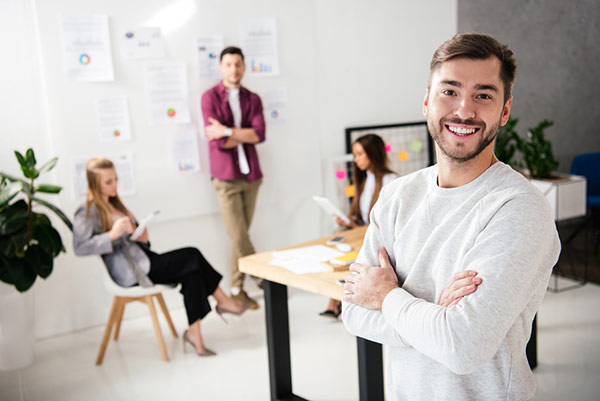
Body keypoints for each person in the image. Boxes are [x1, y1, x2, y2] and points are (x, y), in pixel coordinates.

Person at [342, 33, 561, 401]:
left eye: (484, 95)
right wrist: (435, 318)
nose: (464, 110)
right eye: (450, 91)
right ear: (427, 101)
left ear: (504, 111)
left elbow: (462, 347)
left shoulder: (518, 207)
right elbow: (353, 310)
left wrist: (386, 296)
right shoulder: (397, 195)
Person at [73, 157, 247, 357]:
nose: (115, 185)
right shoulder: (87, 211)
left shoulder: (116, 204)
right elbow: (80, 247)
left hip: (145, 260)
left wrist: (142, 237)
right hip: (133, 272)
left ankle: (195, 336)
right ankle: (224, 302)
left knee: (192, 274)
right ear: (95, 184)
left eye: (116, 179)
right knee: (192, 254)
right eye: (108, 182)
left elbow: (137, 242)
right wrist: (111, 235)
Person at [201, 46, 265, 310]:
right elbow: (216, 142)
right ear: (221, 67)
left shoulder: (253, 98)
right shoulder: (209, 98)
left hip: (251, 175)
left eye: (238, 64)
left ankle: (237, 289)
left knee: (240, 235)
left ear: (244, 67)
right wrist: (241, 133)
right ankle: (262, 279)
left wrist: (227, 130)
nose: (234, 69)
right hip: (226, 177)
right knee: (238, 234)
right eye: (228, 64)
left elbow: (259, 135)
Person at [321, 134, 397, 318]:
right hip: (362, 234)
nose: (356, 160)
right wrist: (348, 223)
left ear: (373, 154)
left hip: (379, 242)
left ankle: (337, 302)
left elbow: (386, 226)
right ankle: (336, 300)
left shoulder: (390, 182)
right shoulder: (364, 181)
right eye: (354, 155)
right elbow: (364, 220)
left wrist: (358, 228)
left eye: (360, 154)